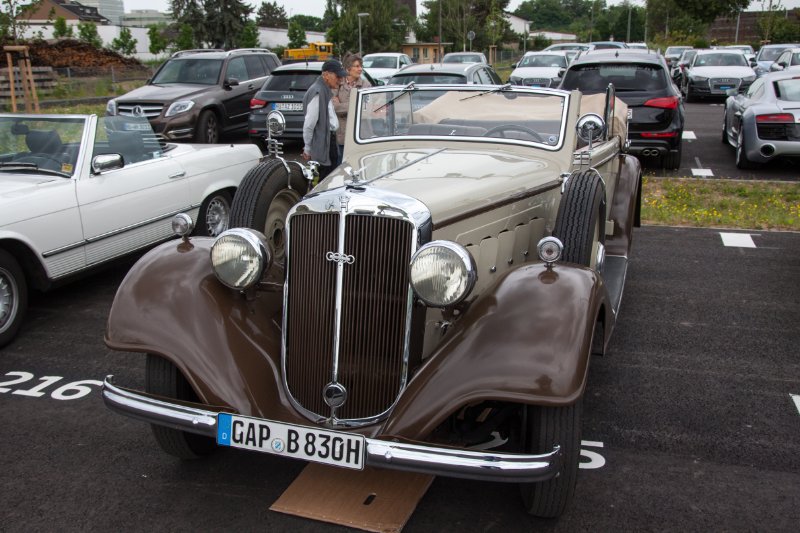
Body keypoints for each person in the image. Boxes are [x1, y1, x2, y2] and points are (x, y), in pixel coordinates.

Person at [302, 59, 346, 180]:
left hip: (329, 141)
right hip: (323, 146)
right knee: (326, 182)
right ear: (326, 75)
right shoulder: (318, 91)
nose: (340, 80)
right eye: (338, 76)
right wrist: (307, 148)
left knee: (330, 178)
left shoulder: (324, 90)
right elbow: (309, 124)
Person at [333, 53, 372, 165]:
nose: (360, 69)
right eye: (357, 66)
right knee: (342, 169)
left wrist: (342, 105)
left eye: (361, 66)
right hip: (342, 136)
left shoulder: (366, 85)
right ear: (348, 68)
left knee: (360, 166)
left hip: (361, 135)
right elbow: (334, 108)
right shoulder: (338, 84)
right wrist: (357, 104)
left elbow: (366, 111)